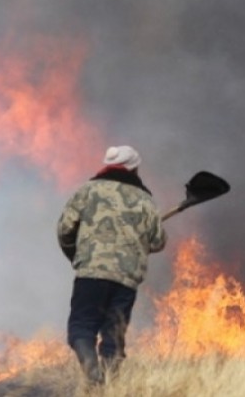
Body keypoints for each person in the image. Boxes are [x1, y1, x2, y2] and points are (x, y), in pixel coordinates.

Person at [57, 145, 167, 385]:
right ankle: (108, 387)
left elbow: (65, 229)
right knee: (113, 336)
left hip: (91, 274)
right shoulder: (145, 199)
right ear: (134, 168)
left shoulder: (88, 191)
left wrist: (77, 256)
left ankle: (92, 372)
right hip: (126, 279)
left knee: (81, 328)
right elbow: (158, 242)